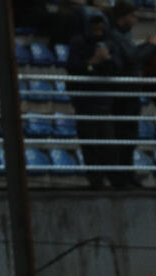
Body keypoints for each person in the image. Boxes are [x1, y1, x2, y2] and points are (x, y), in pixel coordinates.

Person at [107, 1, 156, 188]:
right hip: (122, 94)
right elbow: (132, 58)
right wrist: (151, 45)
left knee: (129, 136)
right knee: (123, 135)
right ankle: (121, 177)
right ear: (123, 17)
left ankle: (127, 174)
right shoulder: (115, 36)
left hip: (129, 92)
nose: (135, 19)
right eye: (132, 16)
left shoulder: (123, 35)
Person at [66, 13, 121, 190]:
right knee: (90, 143)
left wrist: (107, 59)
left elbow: (117, 68)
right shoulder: (78, 43)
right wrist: (93, 62)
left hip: (104, 101)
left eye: (100, 28)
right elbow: (75, 68)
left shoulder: (110, 43)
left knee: (108, 143)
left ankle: (114, 179)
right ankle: (96, 180)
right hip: (84, 101)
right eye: (94, 28)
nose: (98, 32)